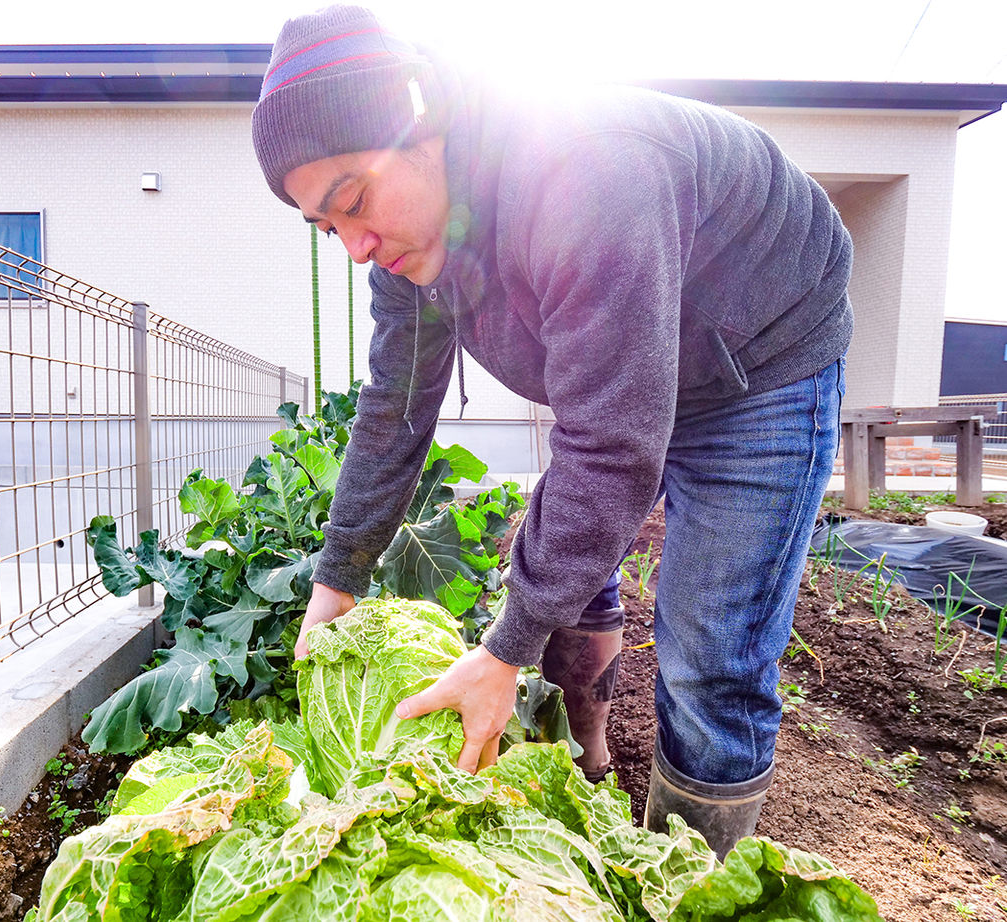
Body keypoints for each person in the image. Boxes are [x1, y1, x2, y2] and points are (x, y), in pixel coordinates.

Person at [251, 4, 850, 858]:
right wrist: (336, 579)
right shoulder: (405, 246)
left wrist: (502, 653)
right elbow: (394, 409)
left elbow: (613, 445)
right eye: (326, 226)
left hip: (756, 360)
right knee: (564, 560)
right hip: (625, 352)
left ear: (423, 126)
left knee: (709, 654)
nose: (353, 245)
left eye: (353, 201)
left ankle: (691, 883)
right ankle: (590, 758)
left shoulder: (587, 170)